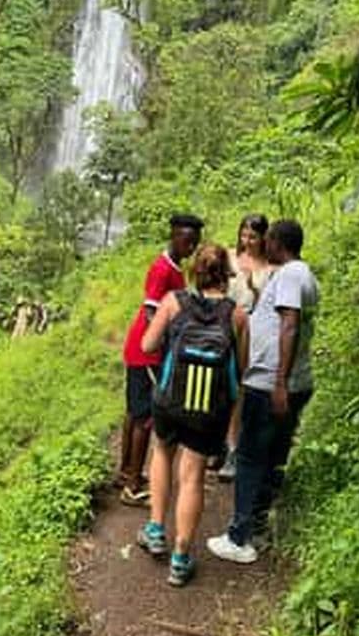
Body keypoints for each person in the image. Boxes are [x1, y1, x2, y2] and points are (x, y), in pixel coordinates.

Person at [137, 244, 249, 586]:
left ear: (195, 273)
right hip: (207, 410)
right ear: (226, 275)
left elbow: (147, 346)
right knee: (192, 476)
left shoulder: (173, 302)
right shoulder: (237, 315)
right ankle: (181, 557)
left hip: (170, 402)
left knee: (162, 453)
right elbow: (240, 371)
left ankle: (156, 530)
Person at [208, 219, 319, 564]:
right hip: (287, 381)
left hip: (271, 382)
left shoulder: (288, 275)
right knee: (272, 457)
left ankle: (239, 536)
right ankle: (256, 526)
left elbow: (289, 325)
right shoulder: (306, 275)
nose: (264, 246)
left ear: (276, 242)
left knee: (252, 456)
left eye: (267, 239)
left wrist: (279, 383)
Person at [117, 213, 204, 506]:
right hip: (147, 352)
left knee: (133, 413)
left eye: (195, 243)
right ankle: (132, 485)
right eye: (186, 240)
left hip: (138, 349)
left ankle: (126, 471)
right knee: (145, 419)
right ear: (173, 236)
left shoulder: (173, 267)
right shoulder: (162, 269)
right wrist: (169, 343)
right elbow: (152, 311)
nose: (190, 247)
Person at [218, 214, 274, 482]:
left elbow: (271, 305)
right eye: (244, 235)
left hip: (253, 330)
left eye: (253, 237)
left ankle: (233, 447)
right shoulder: (228, 258)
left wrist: (254, 288)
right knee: (217, 383)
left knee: (240, 386)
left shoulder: (270, 268)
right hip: (222, 325)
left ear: (264, 238)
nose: (247, 241)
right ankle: (214, 442)